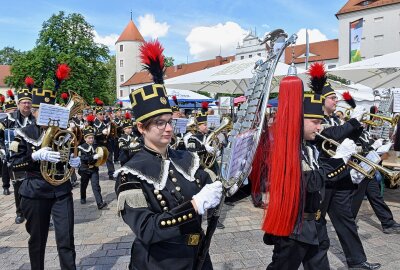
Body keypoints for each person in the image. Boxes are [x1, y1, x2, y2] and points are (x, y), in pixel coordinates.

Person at [114, 40, 222, 270]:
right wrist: (194, 205)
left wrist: (240, 175)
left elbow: (219, 187)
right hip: (158, 263)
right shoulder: (130, 174)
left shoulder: (187, 158)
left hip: (199, 258)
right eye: (159, 123)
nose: (168, 128)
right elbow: (147, 229)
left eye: (170, 122)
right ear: (141, 128)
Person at [262, 74, 357, 270]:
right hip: (294, 229)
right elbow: (311, 182)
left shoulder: (309, 147)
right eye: (314, 121)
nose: (319, 126)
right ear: (298, 120)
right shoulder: (289, 150)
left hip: (315, 223)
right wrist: (339, 160)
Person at [9, 64, 79, 270]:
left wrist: (73, 162)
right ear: (35, 111)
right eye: (43, 111)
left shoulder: (62, 132)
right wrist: (34, 155)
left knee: (66, 240)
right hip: (35, 191)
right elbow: (13, 163)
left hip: (61, 191)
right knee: (37, 240)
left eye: (52, 110)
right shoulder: (23, 133)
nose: (48, 114)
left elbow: (67, 155)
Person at [312, 63, 381, 270]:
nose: (336, 100)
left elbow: (348, 136)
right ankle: (313, 262)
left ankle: (357, 261)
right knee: (317, 223)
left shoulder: (334, 118)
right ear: (323, 100)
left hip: (340, 175)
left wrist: (357, 125)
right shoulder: (316, 120)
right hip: (324, 176)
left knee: (346, 220)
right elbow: (329, 136)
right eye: (333, 98)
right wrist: (350, 123)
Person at [350, 129, 400, 234]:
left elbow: (367, 146)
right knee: (356, 198)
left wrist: (379, 144)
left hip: (368, 169)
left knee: (376, 196)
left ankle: (388, 223)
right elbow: (357, 151)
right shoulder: (351, 134)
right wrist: (373, 148)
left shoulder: (363, 133)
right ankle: (348, 223)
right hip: (359, 170)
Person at [0, 87, 35, 225]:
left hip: (34, 158)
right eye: (24, 102)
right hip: (16, 159)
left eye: (28, 102)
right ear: (18, 104)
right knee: (18, 187)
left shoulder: (36, 119)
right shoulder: (8, 119)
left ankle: (39, 214)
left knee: (36, 186)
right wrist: (2, 149)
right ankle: (20, 212)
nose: (26, 105)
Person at [78, 118, 107, 209]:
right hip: (84, 169)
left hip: (94, 169)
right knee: (84, 184)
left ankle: (99, 203)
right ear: (85, 138)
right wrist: (92, 157)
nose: (91, 139)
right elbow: (82, 158)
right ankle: (83, 197)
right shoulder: (81, 147)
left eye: (92, 137)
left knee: (96, 186)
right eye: (89, 138)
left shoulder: (95, 146)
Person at [93, 99, 115, 180]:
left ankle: (111, 174)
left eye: (103, 114)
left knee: (109, 158)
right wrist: (102, 133)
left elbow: (111, 122)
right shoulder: (94, 123)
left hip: (106, 142)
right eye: (100, 114)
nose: (102, 115)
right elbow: (94, 134)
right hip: (98, 143)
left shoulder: (105, 121)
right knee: (97, 159)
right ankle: (95, 174)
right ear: (97, 115)